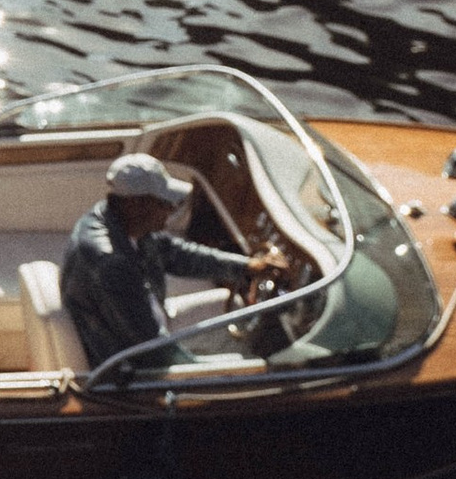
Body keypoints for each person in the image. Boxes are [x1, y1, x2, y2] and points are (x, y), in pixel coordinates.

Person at [59, 153, 291, 379]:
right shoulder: (111, 263)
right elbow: (153, 351)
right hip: (127, 366)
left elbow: (177, 254)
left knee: (236, 310)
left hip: (144, 323)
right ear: (136, 204)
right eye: (164, 202)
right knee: (247, 368)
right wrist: (211, 372)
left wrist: (247, 267)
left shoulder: (117, 219)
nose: (171, 209)